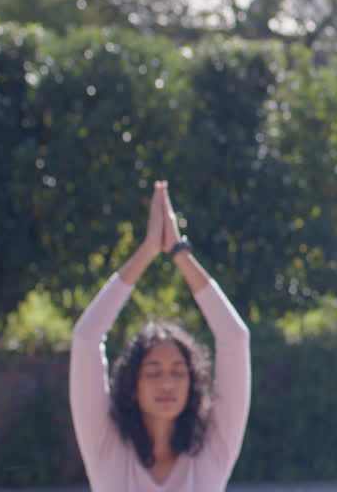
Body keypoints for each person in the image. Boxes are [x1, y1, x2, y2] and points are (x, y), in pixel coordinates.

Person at [70, 181, 251, 491]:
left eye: (178, 372)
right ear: (132, 386)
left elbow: (235, 337)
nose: (167, 383)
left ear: (192, 384)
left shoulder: (211, 451)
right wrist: (148, 250)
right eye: (153, 372)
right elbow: (87, 337)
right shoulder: (108, 450)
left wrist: (180, 253)